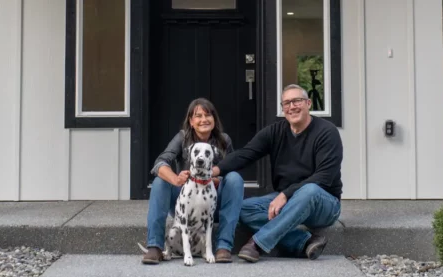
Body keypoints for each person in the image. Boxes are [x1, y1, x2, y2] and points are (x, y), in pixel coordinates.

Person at [212, 84, 343, 262]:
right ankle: (303, 242)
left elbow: (324, 177)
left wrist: (285, 194)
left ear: (308, 103)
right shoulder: (275, 132)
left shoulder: (327, 132)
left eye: (297, 101)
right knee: (240, 208)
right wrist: (214, 170)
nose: (292, 106)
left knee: (309, 190)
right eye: (287, 103)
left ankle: (257, 244)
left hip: (324, 204)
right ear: (283, 108)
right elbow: (246, 154)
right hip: (287, 198)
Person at [143, 98, 245, 264]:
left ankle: (223, 246)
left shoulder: (224, 140)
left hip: (213, 200)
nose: (204, 119)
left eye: (208, 115)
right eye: (198, 116)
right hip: (185, 201)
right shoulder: (182, 138)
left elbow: (233, 166)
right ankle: (154, 246)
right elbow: (160, 163)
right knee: (160, 181)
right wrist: (176, 179)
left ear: (214, 119)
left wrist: (218, 179)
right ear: (191, 121)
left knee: (234, 179)